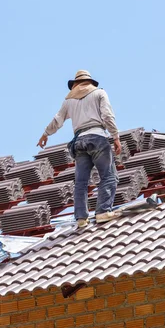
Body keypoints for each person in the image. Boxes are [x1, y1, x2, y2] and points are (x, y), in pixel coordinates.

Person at [37, 70, 122, 227]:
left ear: (75, 85)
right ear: (89, 83)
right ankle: (103, 211)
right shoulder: (99, 93)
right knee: (109, 177)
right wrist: (115, 137)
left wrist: (45, 134)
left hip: (79, 142)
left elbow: (57, 120)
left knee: (81, 182)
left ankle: (81, 218)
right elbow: (107, 116)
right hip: (97, 138)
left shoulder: (69, 100)